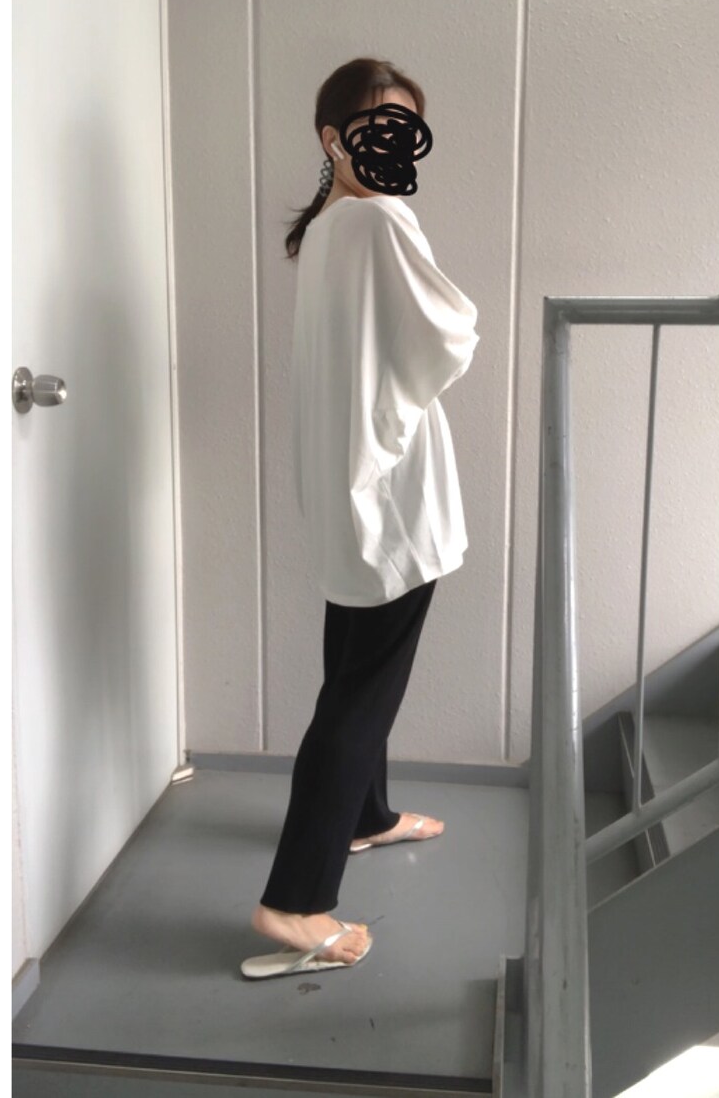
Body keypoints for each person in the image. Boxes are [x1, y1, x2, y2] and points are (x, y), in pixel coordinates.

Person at [241, 58, 480, 979]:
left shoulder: (330, 227)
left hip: (349, 491)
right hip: (391, 493)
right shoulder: (379, 220)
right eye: (379, 126)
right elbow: (450, 334)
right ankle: (295, 902)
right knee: (359, 695)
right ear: (333, 137)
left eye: (406, 129)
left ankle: (367, 816)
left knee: (353, 669)